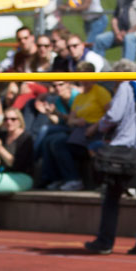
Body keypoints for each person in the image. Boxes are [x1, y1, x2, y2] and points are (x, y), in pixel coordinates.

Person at [84, 60, 136, 256]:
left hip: (125, 152)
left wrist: (100, 126)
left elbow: (113, 116)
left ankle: (105, 241)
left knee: (111, 196)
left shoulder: (126, 87)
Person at [40, 63, 111, 191]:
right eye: (80, 76)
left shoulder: (100, 92)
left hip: (95, 134)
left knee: (57, 141)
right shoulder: (80, 97)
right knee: (52, 141)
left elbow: (110, 114)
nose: (83, 79)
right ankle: (61, 179)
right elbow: (71, 120)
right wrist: (77, 121)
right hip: (80, 134)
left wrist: (94, 126)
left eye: (86, 75)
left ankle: (73, 179)